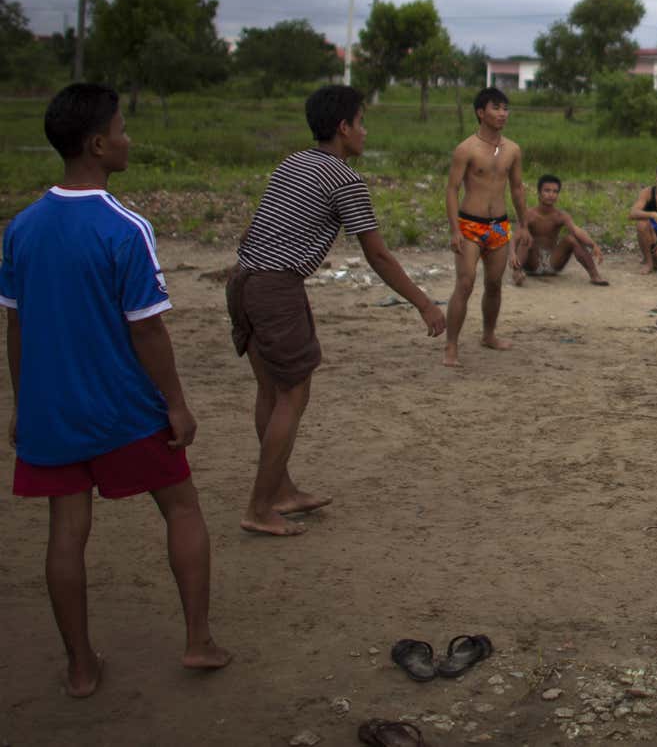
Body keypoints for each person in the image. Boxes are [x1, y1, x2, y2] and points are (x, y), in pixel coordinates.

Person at [3, 83, 231, 697]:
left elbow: (16, 326)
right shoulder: (125, 228)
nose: (130, 138)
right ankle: (198, 640)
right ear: (99, 144)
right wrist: (176, 403)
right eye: (123, 129)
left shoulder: (21, 228)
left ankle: (80, 666)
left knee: (65, 534)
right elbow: (148, 330)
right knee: (182, 507)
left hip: (52, 412)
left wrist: (25, 405)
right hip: (124, 409)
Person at [228, 85, 445, 537]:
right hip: (276, 287)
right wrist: (424, 302)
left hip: (244, 279)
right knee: (293, 395)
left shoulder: (294, 162)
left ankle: (281, 490)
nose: (366, 132)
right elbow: (378, 256)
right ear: (344, 128)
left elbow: (253, 230)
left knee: (270, 391)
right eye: (362, 122)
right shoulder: (345, 179)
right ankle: (259, 505)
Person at [445, 87, 532, 366]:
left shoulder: (513, 150)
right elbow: (452, 189)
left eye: (505, 108)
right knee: (465, 282)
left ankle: (488, 335)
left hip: (498, 226)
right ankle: (451, 346)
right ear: (481, 112)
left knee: (494, 284)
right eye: (496, 108)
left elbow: (517, 189)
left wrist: (524, 225)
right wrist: (454, 229)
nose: (502, 114)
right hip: (470, 224)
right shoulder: (466, 148)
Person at [512, 174, 608, 286]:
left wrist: (593, 245)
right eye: (547, 191)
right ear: (539, 193)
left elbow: (576, 230)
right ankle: (517, 274)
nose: (551, 195)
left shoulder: (560, 215)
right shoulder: (528, 215)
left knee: (571, 239)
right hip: (532, 262)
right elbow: (515, 236)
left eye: (555, 191)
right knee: (526, 237)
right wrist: (512, 254)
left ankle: (595, 275)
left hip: (553, 261)